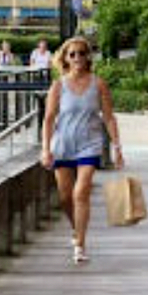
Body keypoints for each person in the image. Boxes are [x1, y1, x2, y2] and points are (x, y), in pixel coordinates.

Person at [40, 36, 124, 265]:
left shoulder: (99, 84)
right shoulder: (58, 86)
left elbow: (108, 117)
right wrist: (45, 149)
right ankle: (76, 229)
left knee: (81, 193)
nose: (77, 57)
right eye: (72, 54)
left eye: (81, 53)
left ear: (88, 57)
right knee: (66, 197)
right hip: (63, 146)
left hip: (90, 144)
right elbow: (48, 120)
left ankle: (80, 244)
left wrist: (117, 147)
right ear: (65, 59)